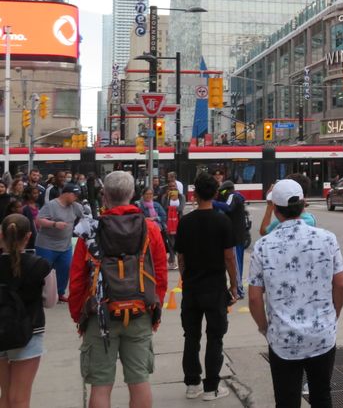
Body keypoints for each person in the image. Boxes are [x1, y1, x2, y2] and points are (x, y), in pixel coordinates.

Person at [68, 170, 167, 408]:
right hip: (139, 312)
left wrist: (79, 316)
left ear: (104, 197)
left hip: (100, 315)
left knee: (101, 386)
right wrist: (154, 311)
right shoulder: (150, 229)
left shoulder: (91, 231)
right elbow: (160, 275)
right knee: (139, 380)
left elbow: (78, 279)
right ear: (132, 194)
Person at [248, 179, 343, 408]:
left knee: (286, 400)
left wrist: (265, 328)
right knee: (322, 396)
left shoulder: (263, 246)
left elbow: (254, 298)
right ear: (303, 205)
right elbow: (341, 286)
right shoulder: (327, 239)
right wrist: (334, 314)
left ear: (275, 209)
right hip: (322, 334)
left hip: (282, 339)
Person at [174, 173, 237, 401]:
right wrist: (234, 286)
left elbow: (181, 257)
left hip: (191, 288)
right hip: (215, 288)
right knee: (215, 337)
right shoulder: (222, 221)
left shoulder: (185, 222)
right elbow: (229, 257)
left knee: (191, 336)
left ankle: (192, 384)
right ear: (215, 193)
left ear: (195, 194)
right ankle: (211, 387)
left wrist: (185, 278)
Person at [0, 214, 57, 408]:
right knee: (21, 398)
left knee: (6, 395)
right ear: (29, 236)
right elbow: (50, 301)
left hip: (1, 331)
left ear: (1, 235)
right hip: (30, 331)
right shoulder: (40, 265)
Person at [35, 181, 84, 302]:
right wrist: (54, 224)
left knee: (65, 268)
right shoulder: (51, 205)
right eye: (75, 195)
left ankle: (59, 293)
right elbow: (39, 220)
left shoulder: (75, 206)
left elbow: (85, 218)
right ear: (66, 193)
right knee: (44, 270)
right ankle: (40, 293)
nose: (76, 197)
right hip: (47, 244)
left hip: (65, 245)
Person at [213, 179, 248, 299]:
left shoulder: (233, 196)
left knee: (236, 264)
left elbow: (228, 207)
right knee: (238, 264)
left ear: (226, 191)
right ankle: (239, 288)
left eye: (222, 192)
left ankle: (238, 290)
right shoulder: (236, 197)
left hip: (235, 236)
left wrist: (213, 202)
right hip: (238, 235)